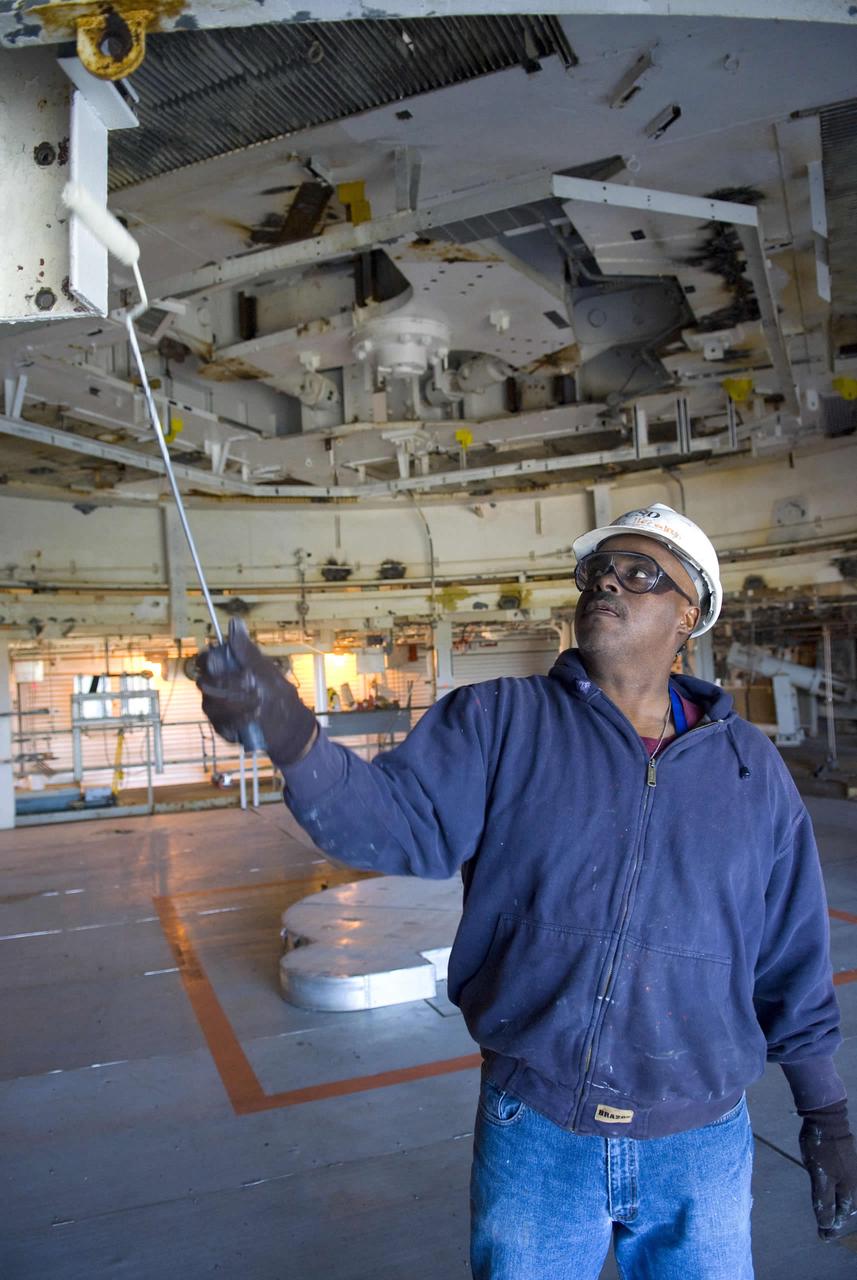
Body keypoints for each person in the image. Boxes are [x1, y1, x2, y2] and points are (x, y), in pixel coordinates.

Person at [197, 502, 857, 1278]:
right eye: (596, 571)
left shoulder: (750, 771)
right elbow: (398, 823)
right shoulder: (497, 720)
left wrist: (825, 1113)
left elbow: (790, 953)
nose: (607, 581)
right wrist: (294, 737)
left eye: (639, 572)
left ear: (690, 615)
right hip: (537, 1127)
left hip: (700, 1138)